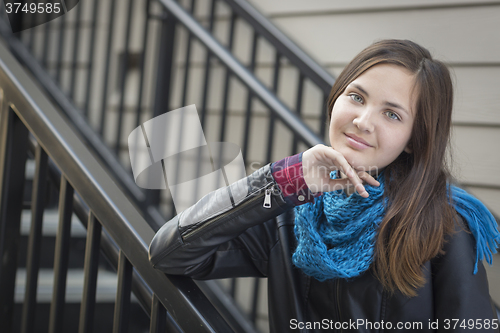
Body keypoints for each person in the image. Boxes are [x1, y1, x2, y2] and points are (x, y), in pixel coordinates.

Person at [149, 39, 500, 332]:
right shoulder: (288, 212)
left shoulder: (444, 223)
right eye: (357, 97)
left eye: (392, 114)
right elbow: (170, 253)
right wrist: (288, 179)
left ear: (413, 138)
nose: (362, 121)